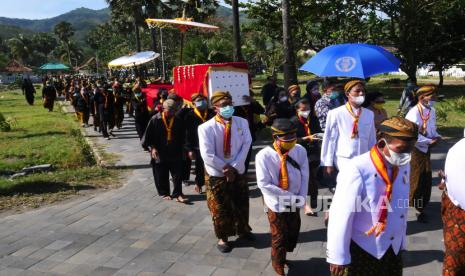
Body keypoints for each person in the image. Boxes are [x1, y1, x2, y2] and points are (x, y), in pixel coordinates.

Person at [327, 117, 419, 276]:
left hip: (392, 245)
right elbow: (341, 214)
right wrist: (338, 256)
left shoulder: (403, 163)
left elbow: (400, 206)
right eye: (401, 149)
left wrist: (401, 239)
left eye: (410, 149)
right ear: (382, 143)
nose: (406, 155)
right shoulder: (357, 168)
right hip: (364, 246)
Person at [198, 91, 254, 253]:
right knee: (220, 208)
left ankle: (243, 230)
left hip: (238, 170)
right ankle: (223, 238)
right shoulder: (205, 128)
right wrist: (225, 168)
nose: (228, 108)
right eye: (224, 105)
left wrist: (234, 167)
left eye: (230, 104)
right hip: (217, 173)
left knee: (241, 203)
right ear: (215, 108)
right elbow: (207, 154)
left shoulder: (242, 122)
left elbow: (247, 143)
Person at [255, 118, 309, 276]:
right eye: (286, 137)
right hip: (276, 203)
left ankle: (283, 255)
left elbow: (305, 175)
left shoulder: (299, 150)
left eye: (293, 136)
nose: (291, 140)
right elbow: (264, 184)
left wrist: (302, 197)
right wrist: (291, 197)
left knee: (292, 231)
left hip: (296, 200)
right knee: (278, 235)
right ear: (275, 137)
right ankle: (277, 264)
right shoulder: (263, 156)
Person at [321, 79, 376, 176]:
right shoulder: (336, 113)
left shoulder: (369, 114)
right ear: (347, 94)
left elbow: (372, 138)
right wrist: (327, 163)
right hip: (345, 159)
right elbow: (330, 139)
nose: (361, 93)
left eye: (363, 91)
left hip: (364, 157)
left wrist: (374, 157)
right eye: (357, 91)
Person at [406, 85, 441, 222]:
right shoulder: (413, 113)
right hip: (416, 150)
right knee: (417, 179)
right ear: (422, 98)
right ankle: (416, 206)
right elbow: (410, 133)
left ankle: (421, 206)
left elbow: (433, 129)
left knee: (426, 178)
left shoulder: (431, 111)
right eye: (432, 97)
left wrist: (437, 137)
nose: (434, 99)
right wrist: (427, 141)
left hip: (427, 149)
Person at [142, 99, 188, 203]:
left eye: (174, 111)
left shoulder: (178, 120)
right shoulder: (155, 119)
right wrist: (152, 148)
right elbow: (147, 137)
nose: (172, 113)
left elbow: (184, 136)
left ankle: (178, 193)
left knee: (177, 174)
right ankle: (165, 193)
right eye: (170, 111)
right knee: (161, 173)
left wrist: (185, 149)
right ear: (163, 109)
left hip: (175, 150)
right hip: (160, 151)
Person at [438, 130, 465, 275]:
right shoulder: (458, 150)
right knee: (456, 260)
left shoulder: (455, 149)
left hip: (456, 212)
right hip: (459, 215)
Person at [290, 99, 322, 215]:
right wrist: (306, 138)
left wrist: (318, 136)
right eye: (303, 110)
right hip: (299, 152)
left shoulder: (313, 119)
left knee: (311, 177)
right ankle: (304, 203)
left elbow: (318, 131)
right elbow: (292, 140)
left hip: (313, 152)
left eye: (308, 109)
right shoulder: (293, 122)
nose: (306, 111)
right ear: (297, 110)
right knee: (302, 178)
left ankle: (313, 199)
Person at [185, 93, 215, 194]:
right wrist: (189, 149)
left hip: (211, 144)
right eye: (198, 100)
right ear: (193, 103)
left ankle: (210, 184)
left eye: (203, 100)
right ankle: (198, 183)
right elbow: (187, 134)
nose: (201, 102)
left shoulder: (212, 113)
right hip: (197, 145)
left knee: (211, 165)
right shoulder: (189, 115)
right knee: (199, 167)